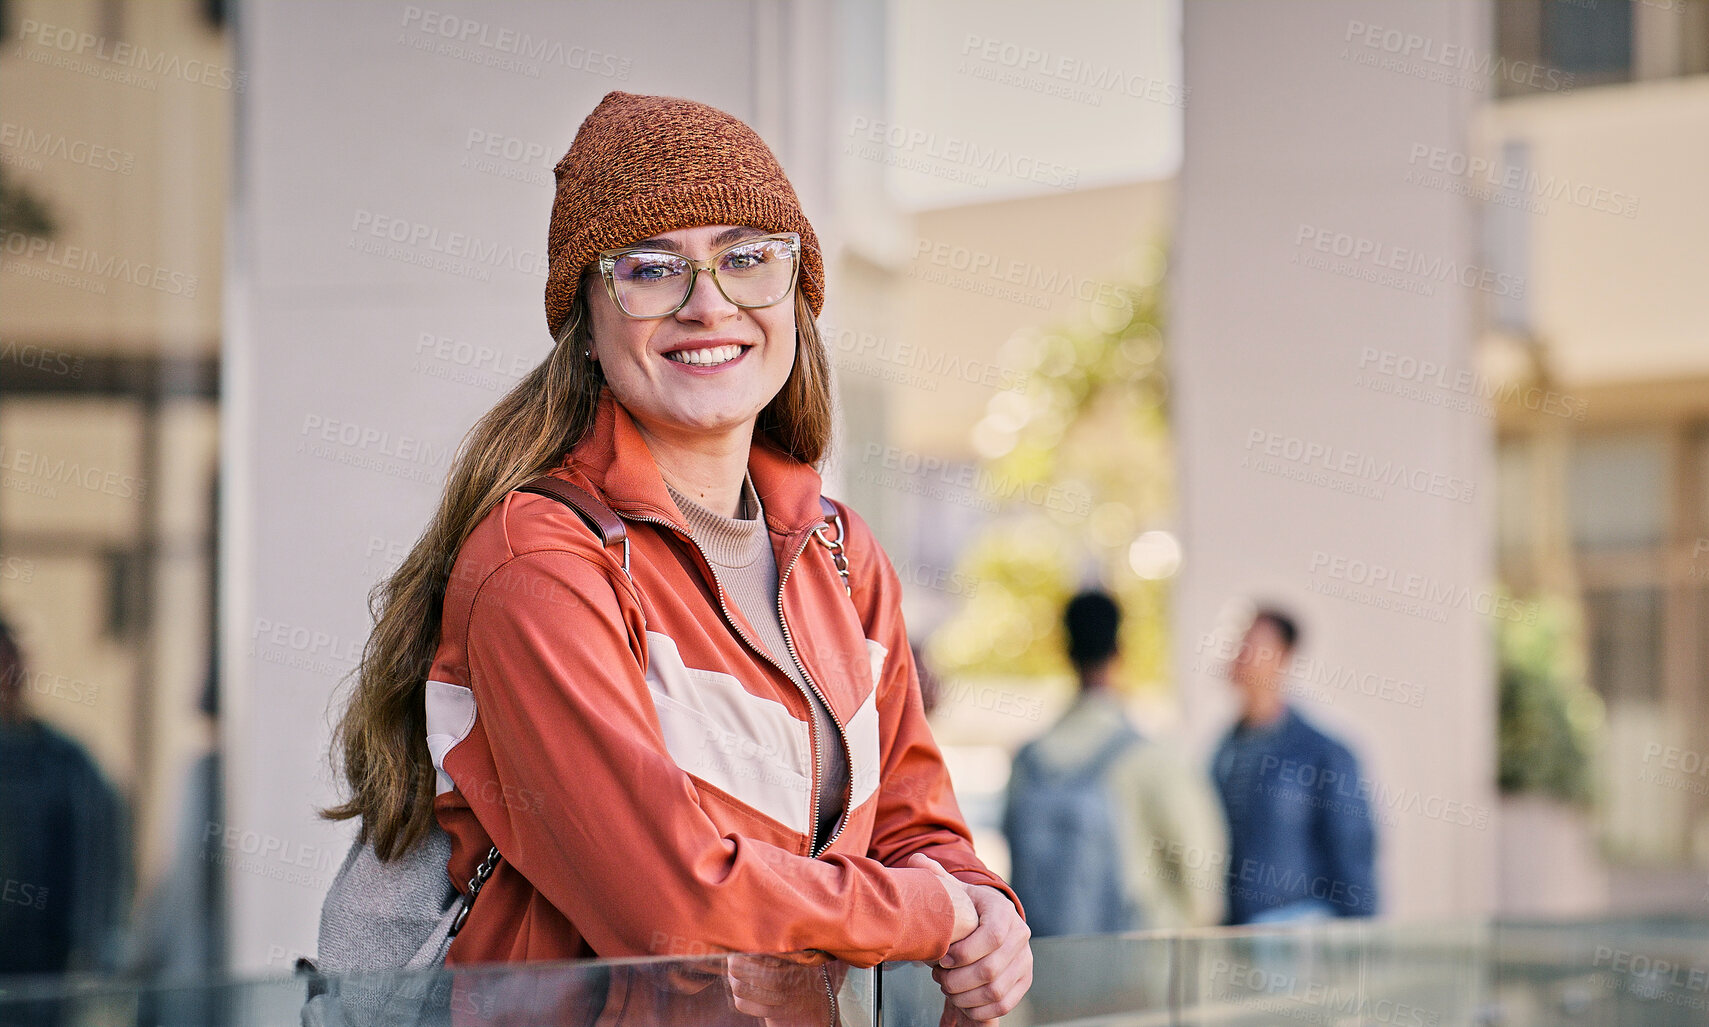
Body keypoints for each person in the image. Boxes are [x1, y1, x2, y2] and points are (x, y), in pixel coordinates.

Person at [323, 93, 1030, 1024]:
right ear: (586, 312)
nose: (708, 304)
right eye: (650, 269)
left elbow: (911, 815)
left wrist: (985, 907)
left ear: (795, 290)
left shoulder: (842, 555)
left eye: (746, 258)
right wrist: (930, 912)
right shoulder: (541, 562)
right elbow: (673, 906)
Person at [1002, 590, 1228, 936]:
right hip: (1136, 971)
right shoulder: (1153, 758)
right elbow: (1203, 883)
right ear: (1120, 650)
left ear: (1065, 650)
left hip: (1047, 971)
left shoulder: (1028, 762)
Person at [1212, 606, 1377, 923]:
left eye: (1252, 646)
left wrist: (1358, 947)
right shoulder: (1223, 754)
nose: (1239, 655)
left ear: (1282, 656)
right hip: (1235, 942)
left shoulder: (1322, 755)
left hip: (1297, 943)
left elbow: (1352, 858)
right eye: (1237, 645)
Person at [0, 616, 128, 980]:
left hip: (47, 974)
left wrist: (99, 948)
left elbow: (104, 860)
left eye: (10, 660)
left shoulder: (66, 762)